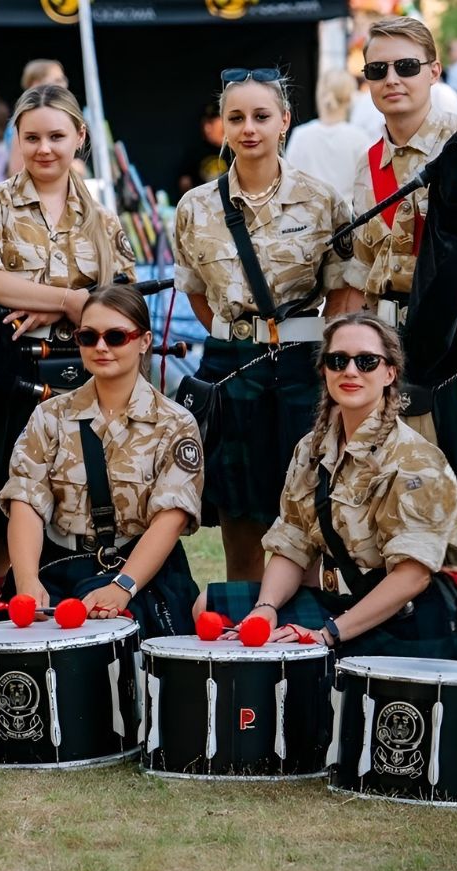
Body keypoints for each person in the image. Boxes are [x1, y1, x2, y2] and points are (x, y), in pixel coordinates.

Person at [208, 313, 457, 662]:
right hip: (335, 603)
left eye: (367, 361)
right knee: (210, 607)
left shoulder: (416, 459)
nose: (350, 371)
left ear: (390, 373)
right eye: (338, 360)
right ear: (324, 370)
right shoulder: (310, 449)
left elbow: (412, 577)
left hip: (406, 620)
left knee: (311, 666)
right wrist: (265, 609)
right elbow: (293, 543)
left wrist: (328, 633)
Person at [0, 82, 135, 619]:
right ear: (17, 139)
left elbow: (122, 296)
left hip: (81, 375)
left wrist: (61, 308)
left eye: (57, 135)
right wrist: (72, 297)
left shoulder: (103, 218)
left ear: (80, 135)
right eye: (32, 137)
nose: (45, 149)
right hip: (3, 375)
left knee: (71, 508)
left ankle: (54, 622)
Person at [172, 68, 358, 582]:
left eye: (261, 116)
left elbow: (343, 289)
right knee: (239, 503)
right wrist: (241, 334)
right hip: (231, 364)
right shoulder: (196, 207)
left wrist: (330, 359)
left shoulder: (322, 200)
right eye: (237, 118)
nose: (249, 128)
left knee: (305, 495)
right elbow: (195, 290)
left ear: (285, 122)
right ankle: (245, 617)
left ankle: (302, 620)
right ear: (224, 127)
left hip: (302, 364)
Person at [346, 15, 457, 620]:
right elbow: (358, 278)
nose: (392, 80)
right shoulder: (368, 165)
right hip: (392, 351)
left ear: (434, 71)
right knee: (413, 502)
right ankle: (439, 642)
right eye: (378, 69)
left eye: (407, 66)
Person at [2, 284, 204, 636]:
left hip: (142, 573)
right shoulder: (49, 416)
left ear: (143, 341)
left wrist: (122, 586)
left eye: (116, 336)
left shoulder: (174, 423)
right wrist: (27, 581)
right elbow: (26, 501)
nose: (101, 347)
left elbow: (171, 518)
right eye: (88, 336)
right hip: (59, 568)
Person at [284, 68, 374, 197]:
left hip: (309, 215)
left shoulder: (300, 135)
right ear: (350, 98)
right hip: (349, 215)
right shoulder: (359, 138)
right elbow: (368, 187)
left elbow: (289, 183)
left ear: (319, 94)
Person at [5, 59, 68, 177]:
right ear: (36, 84)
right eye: (57, 80)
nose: (64, 85)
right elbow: (17, 169)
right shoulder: (26, 117)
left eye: (63, 79)